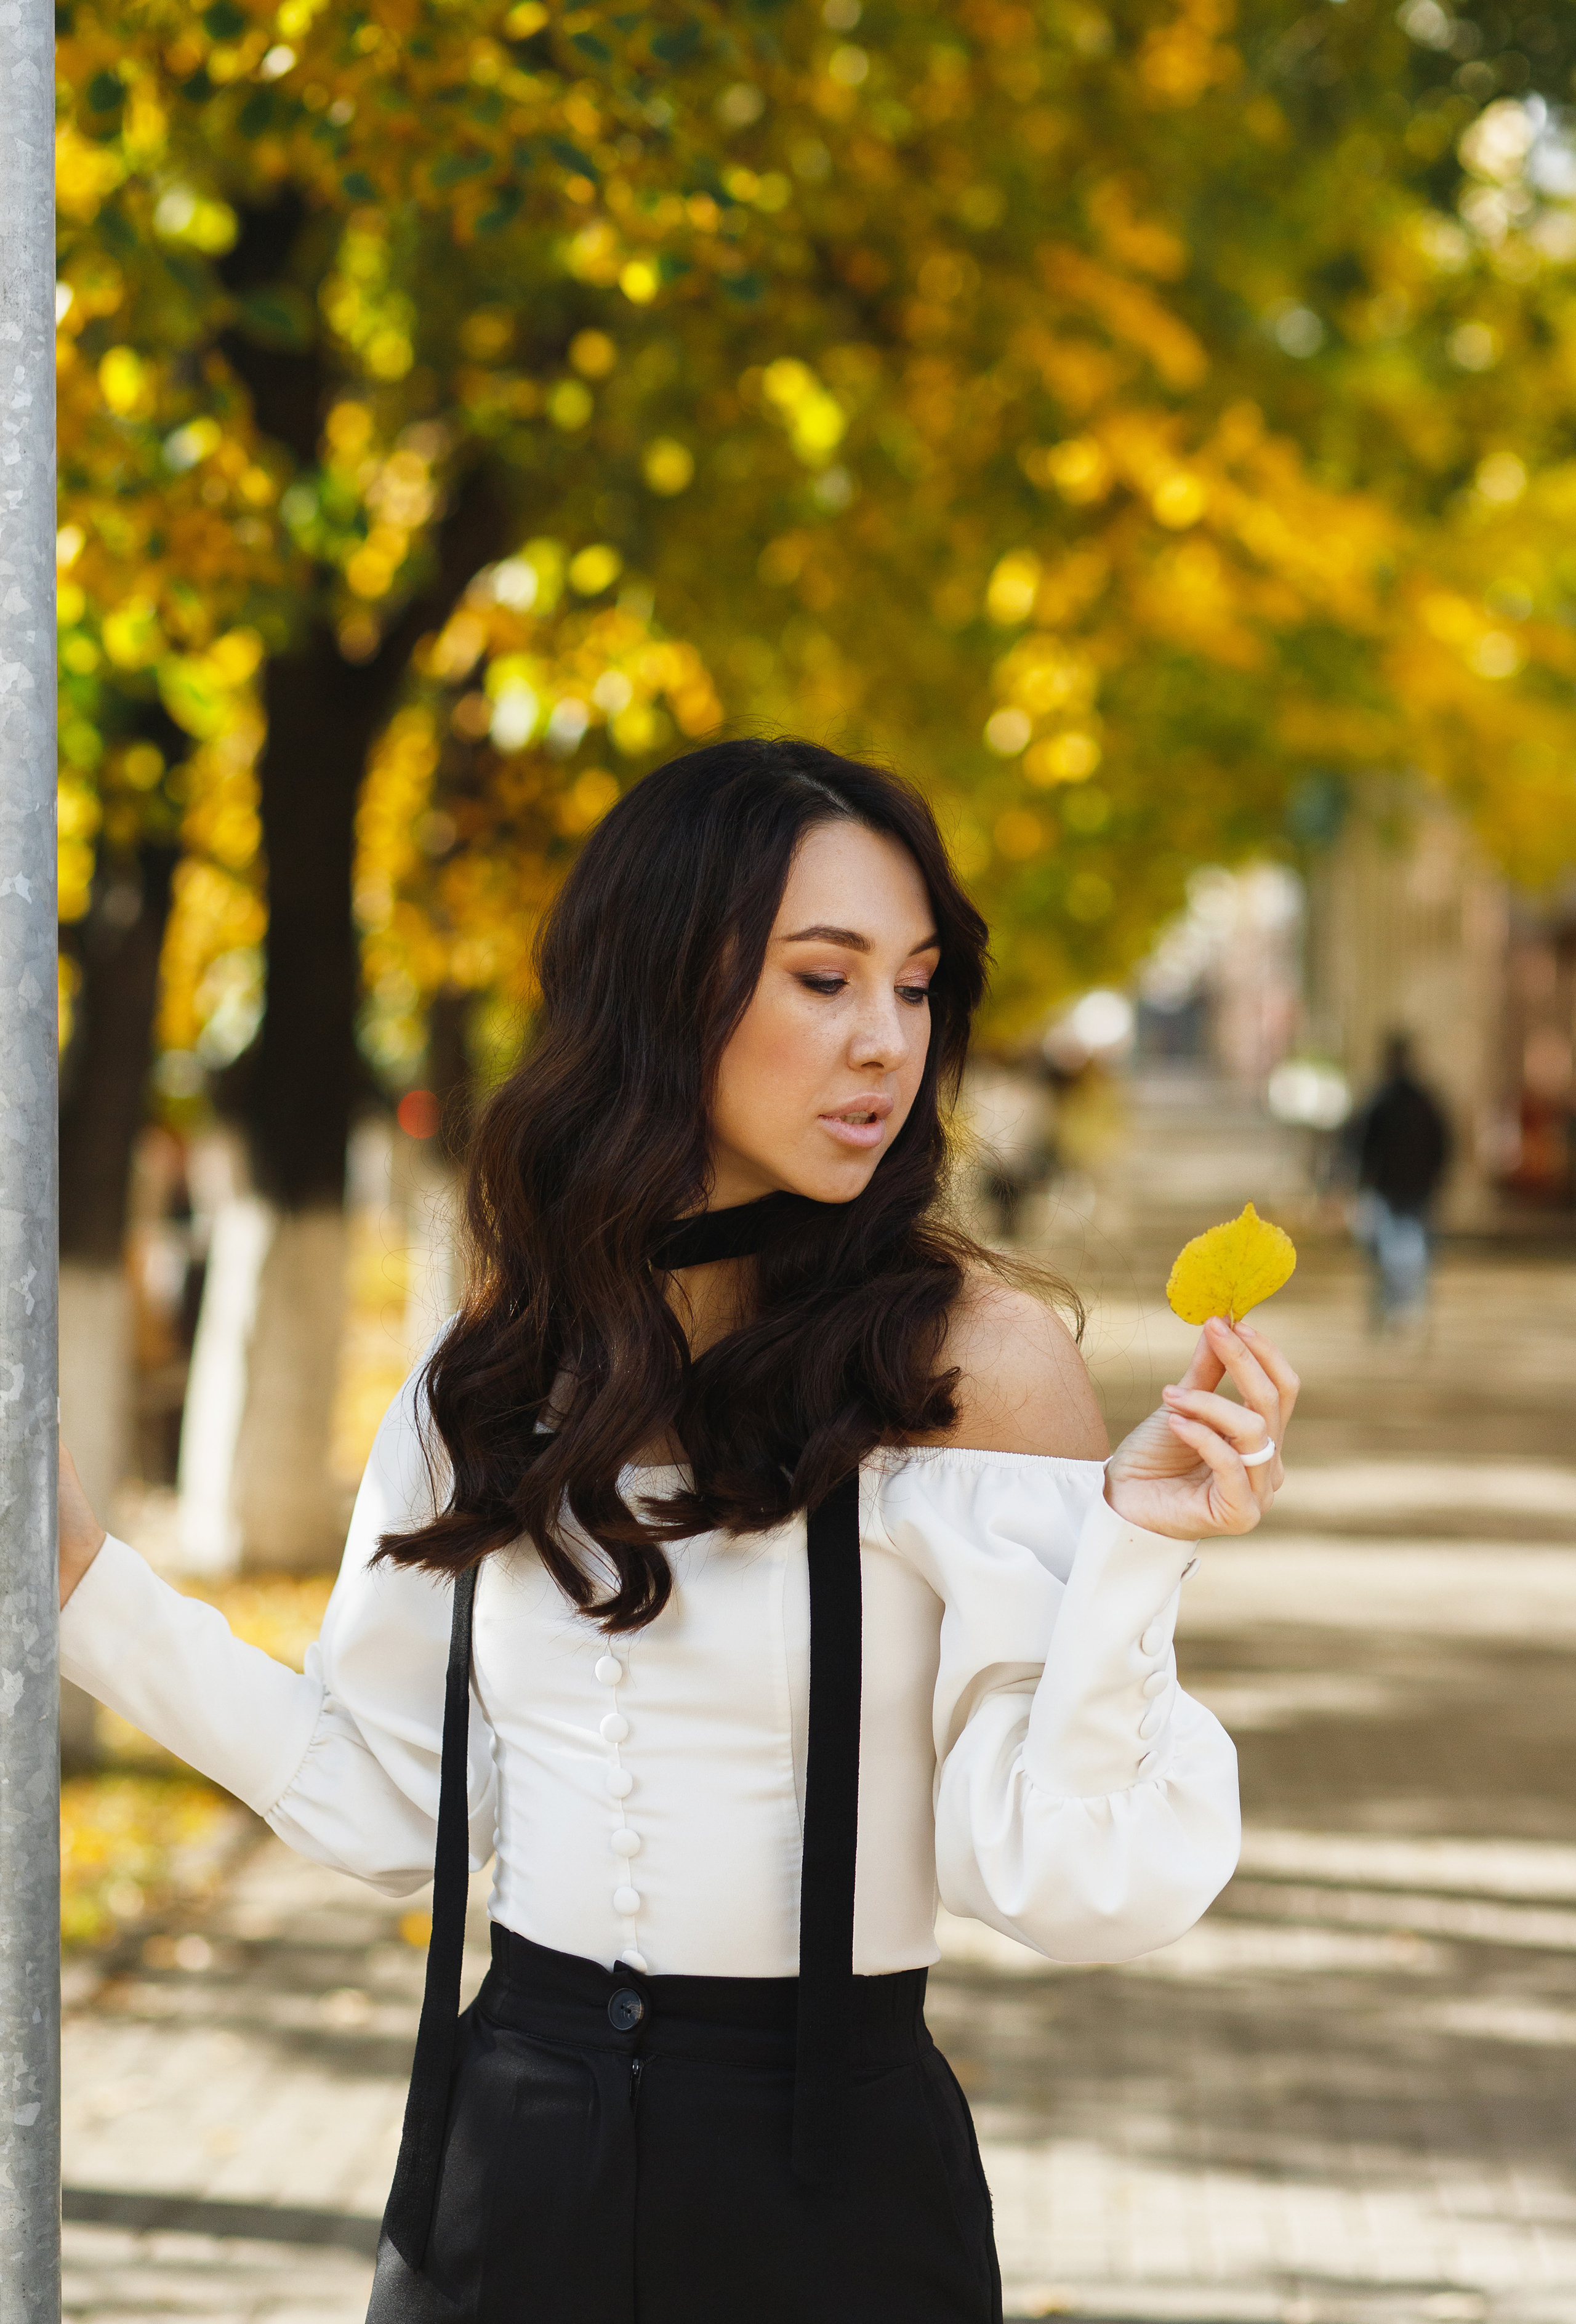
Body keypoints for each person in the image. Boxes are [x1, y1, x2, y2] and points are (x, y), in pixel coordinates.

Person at [57, 739, 1298, 2324]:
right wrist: (83, 1584)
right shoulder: (501, 1372)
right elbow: (384, 1802)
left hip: (825, 2189)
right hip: (504, 2159)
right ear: (662, 990)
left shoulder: (970, 1366)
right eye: (822, 978)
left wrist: (1132, 1555)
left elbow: (1061, 1873)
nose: (882, 1044)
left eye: (912, 988)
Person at [1347, 1032, 1452, 1332]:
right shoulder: (1424, 1101)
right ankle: (1402, 1310)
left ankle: (1395, 1310)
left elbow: (1361, 1146)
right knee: (1408, 1252)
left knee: (1387, 1252)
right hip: (1414, 1190)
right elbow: (1443, 1145)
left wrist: (1360, 1183)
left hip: (1389, 1189)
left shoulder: (1378, 1100)